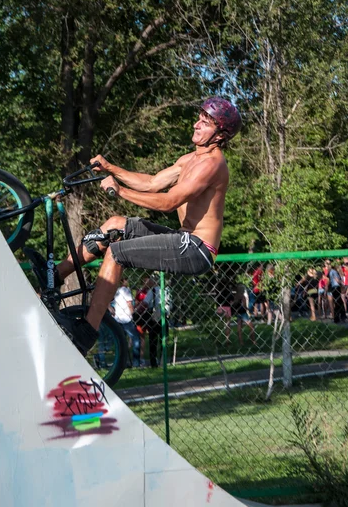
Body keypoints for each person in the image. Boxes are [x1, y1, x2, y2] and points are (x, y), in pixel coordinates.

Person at [44, 97, 241, 356]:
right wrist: (109, 168)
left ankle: (86, 333)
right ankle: (55, 276)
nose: (196, 125)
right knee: (115, 224)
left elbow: (169, 202)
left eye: (204, 124)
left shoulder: (212, 164)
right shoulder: (190, 159)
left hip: (197, 249)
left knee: (116, 252)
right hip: (183, 238)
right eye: (199, 119)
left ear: (219, 135)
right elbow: (151, 183)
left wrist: (120, 191)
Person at [110, 278, 141, 368]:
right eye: (126, 280)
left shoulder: (116, 291)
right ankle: (136, 362)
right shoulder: (126, 290)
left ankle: (123, 362)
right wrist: (133, 314)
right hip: (126, 318)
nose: (128, 281)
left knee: (122, 341)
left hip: (117, 318)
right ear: (123, 281)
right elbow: (129, 304)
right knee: (136, 339)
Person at [141, 278, 171, 367]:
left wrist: (139, 310)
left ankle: (153, 362)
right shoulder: (167, 291)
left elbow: (145, 303)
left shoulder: (152, 291)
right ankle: (163, 361)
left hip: (153, 318)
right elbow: (170, 305)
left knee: (153, 341)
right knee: (164, 340)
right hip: (164, 317)